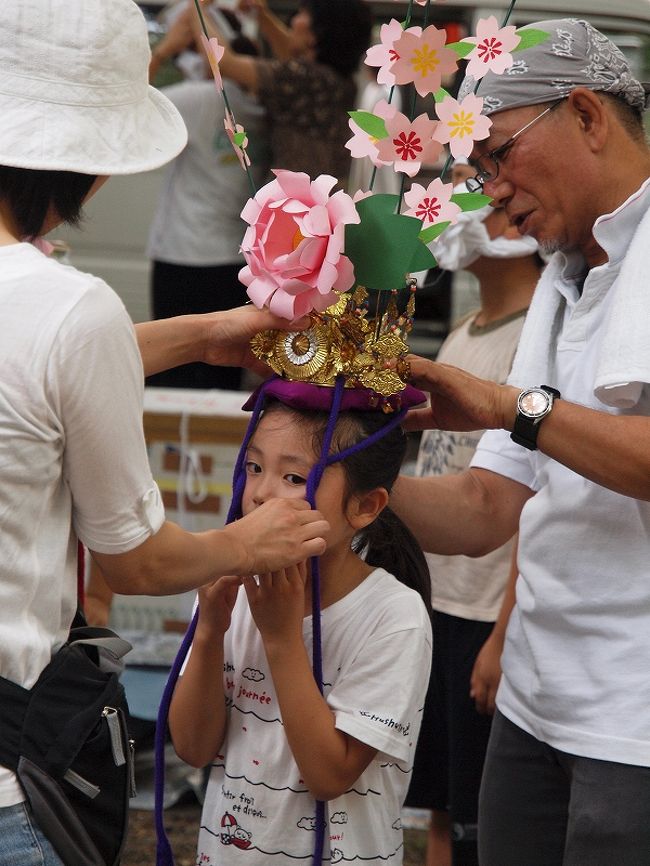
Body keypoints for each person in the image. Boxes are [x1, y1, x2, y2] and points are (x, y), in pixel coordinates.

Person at [0, 3, 330, 860]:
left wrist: (202, 332)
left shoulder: (60, 317)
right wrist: (251, 540)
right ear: (89, 167)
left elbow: (33, 378)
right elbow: (137, 560)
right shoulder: (69, 308)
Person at [391, 18, 650, 866]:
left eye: (497, 157)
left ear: (585, 113)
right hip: (535, 702)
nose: (489, 193)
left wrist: (511, 405)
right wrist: (347, 481)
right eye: (472, 172)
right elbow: (484, 507)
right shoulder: (563, 275)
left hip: (634, 722)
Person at [168, 381, 433, 864]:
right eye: (253, 467)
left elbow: (329, 776)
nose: (261, 494)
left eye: (294, 479)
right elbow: (192, 747)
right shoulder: (232, 589)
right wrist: (208, 631)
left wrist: (282, 638)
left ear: (365, 506)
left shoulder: (394, 618)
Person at [403, 199, 542, 866]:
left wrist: (501, 634)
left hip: (487, 617)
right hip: (440, 602)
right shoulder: (464, 329)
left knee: (479, 822)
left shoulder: (537, 332)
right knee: (439, 803)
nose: (449, 211)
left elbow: (529, 501)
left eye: (472, 190)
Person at [146, 9, 269, 391]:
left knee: (173, 372)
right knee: (224, 372)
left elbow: (124, 102)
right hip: (237, 261)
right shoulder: (266, 105)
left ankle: (172, 453)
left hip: (182, 257)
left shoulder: (196, 99)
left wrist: (164, 51)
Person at [156, 0, 373, 184]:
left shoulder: (306, 79)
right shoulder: (339, 83)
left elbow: (224, 64)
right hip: (318, 213)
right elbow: (292, 56)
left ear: (316, 33)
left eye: (303, 13)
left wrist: (197, 10)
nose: (294, 21)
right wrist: (261, 15)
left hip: (294, 215)